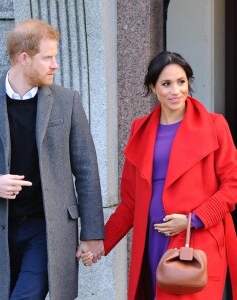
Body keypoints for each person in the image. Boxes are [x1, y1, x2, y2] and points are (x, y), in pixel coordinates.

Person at [0, 18, 105, 300]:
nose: (55, 64)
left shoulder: (68, 101)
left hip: (48, 228)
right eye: (48, 58)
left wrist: (92, 234)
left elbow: (86, 169)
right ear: (24, 58)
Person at [80, 51, 237, 299]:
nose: (176, 90)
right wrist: (102, 242)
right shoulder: (140, 130)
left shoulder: (215, 125)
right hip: (153, 240)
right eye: (166, 84)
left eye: (181, 82)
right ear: (153, 88)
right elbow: (130, 202)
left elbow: (232, 187)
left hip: (197, 240)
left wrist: (193, 220)